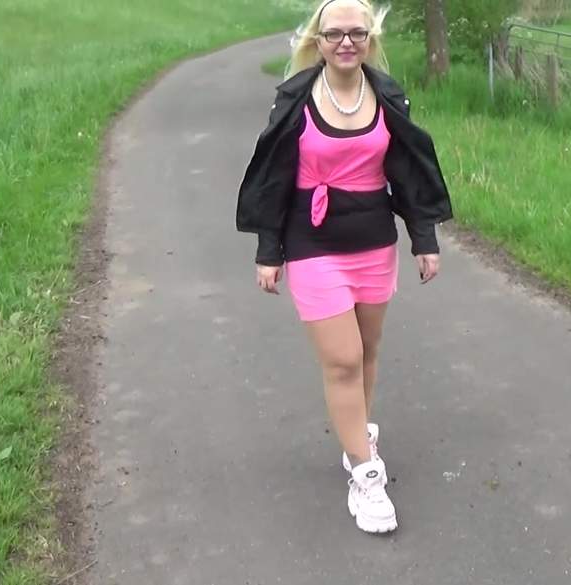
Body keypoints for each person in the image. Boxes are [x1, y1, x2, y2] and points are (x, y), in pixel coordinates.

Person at [236, 0, 453, 534]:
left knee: (367, 352)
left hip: (374, 243)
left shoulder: (387, 96)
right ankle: (365, 473)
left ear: (370, 38)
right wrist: (269, 250)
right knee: (342, 360)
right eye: (335, 34)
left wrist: (424, 238)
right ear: (318, 39)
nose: (346, 42)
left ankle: (356, 435)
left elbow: (408, 171)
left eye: (357, 33)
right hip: (312, 245)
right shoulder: (296, 99)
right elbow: (274, 177)